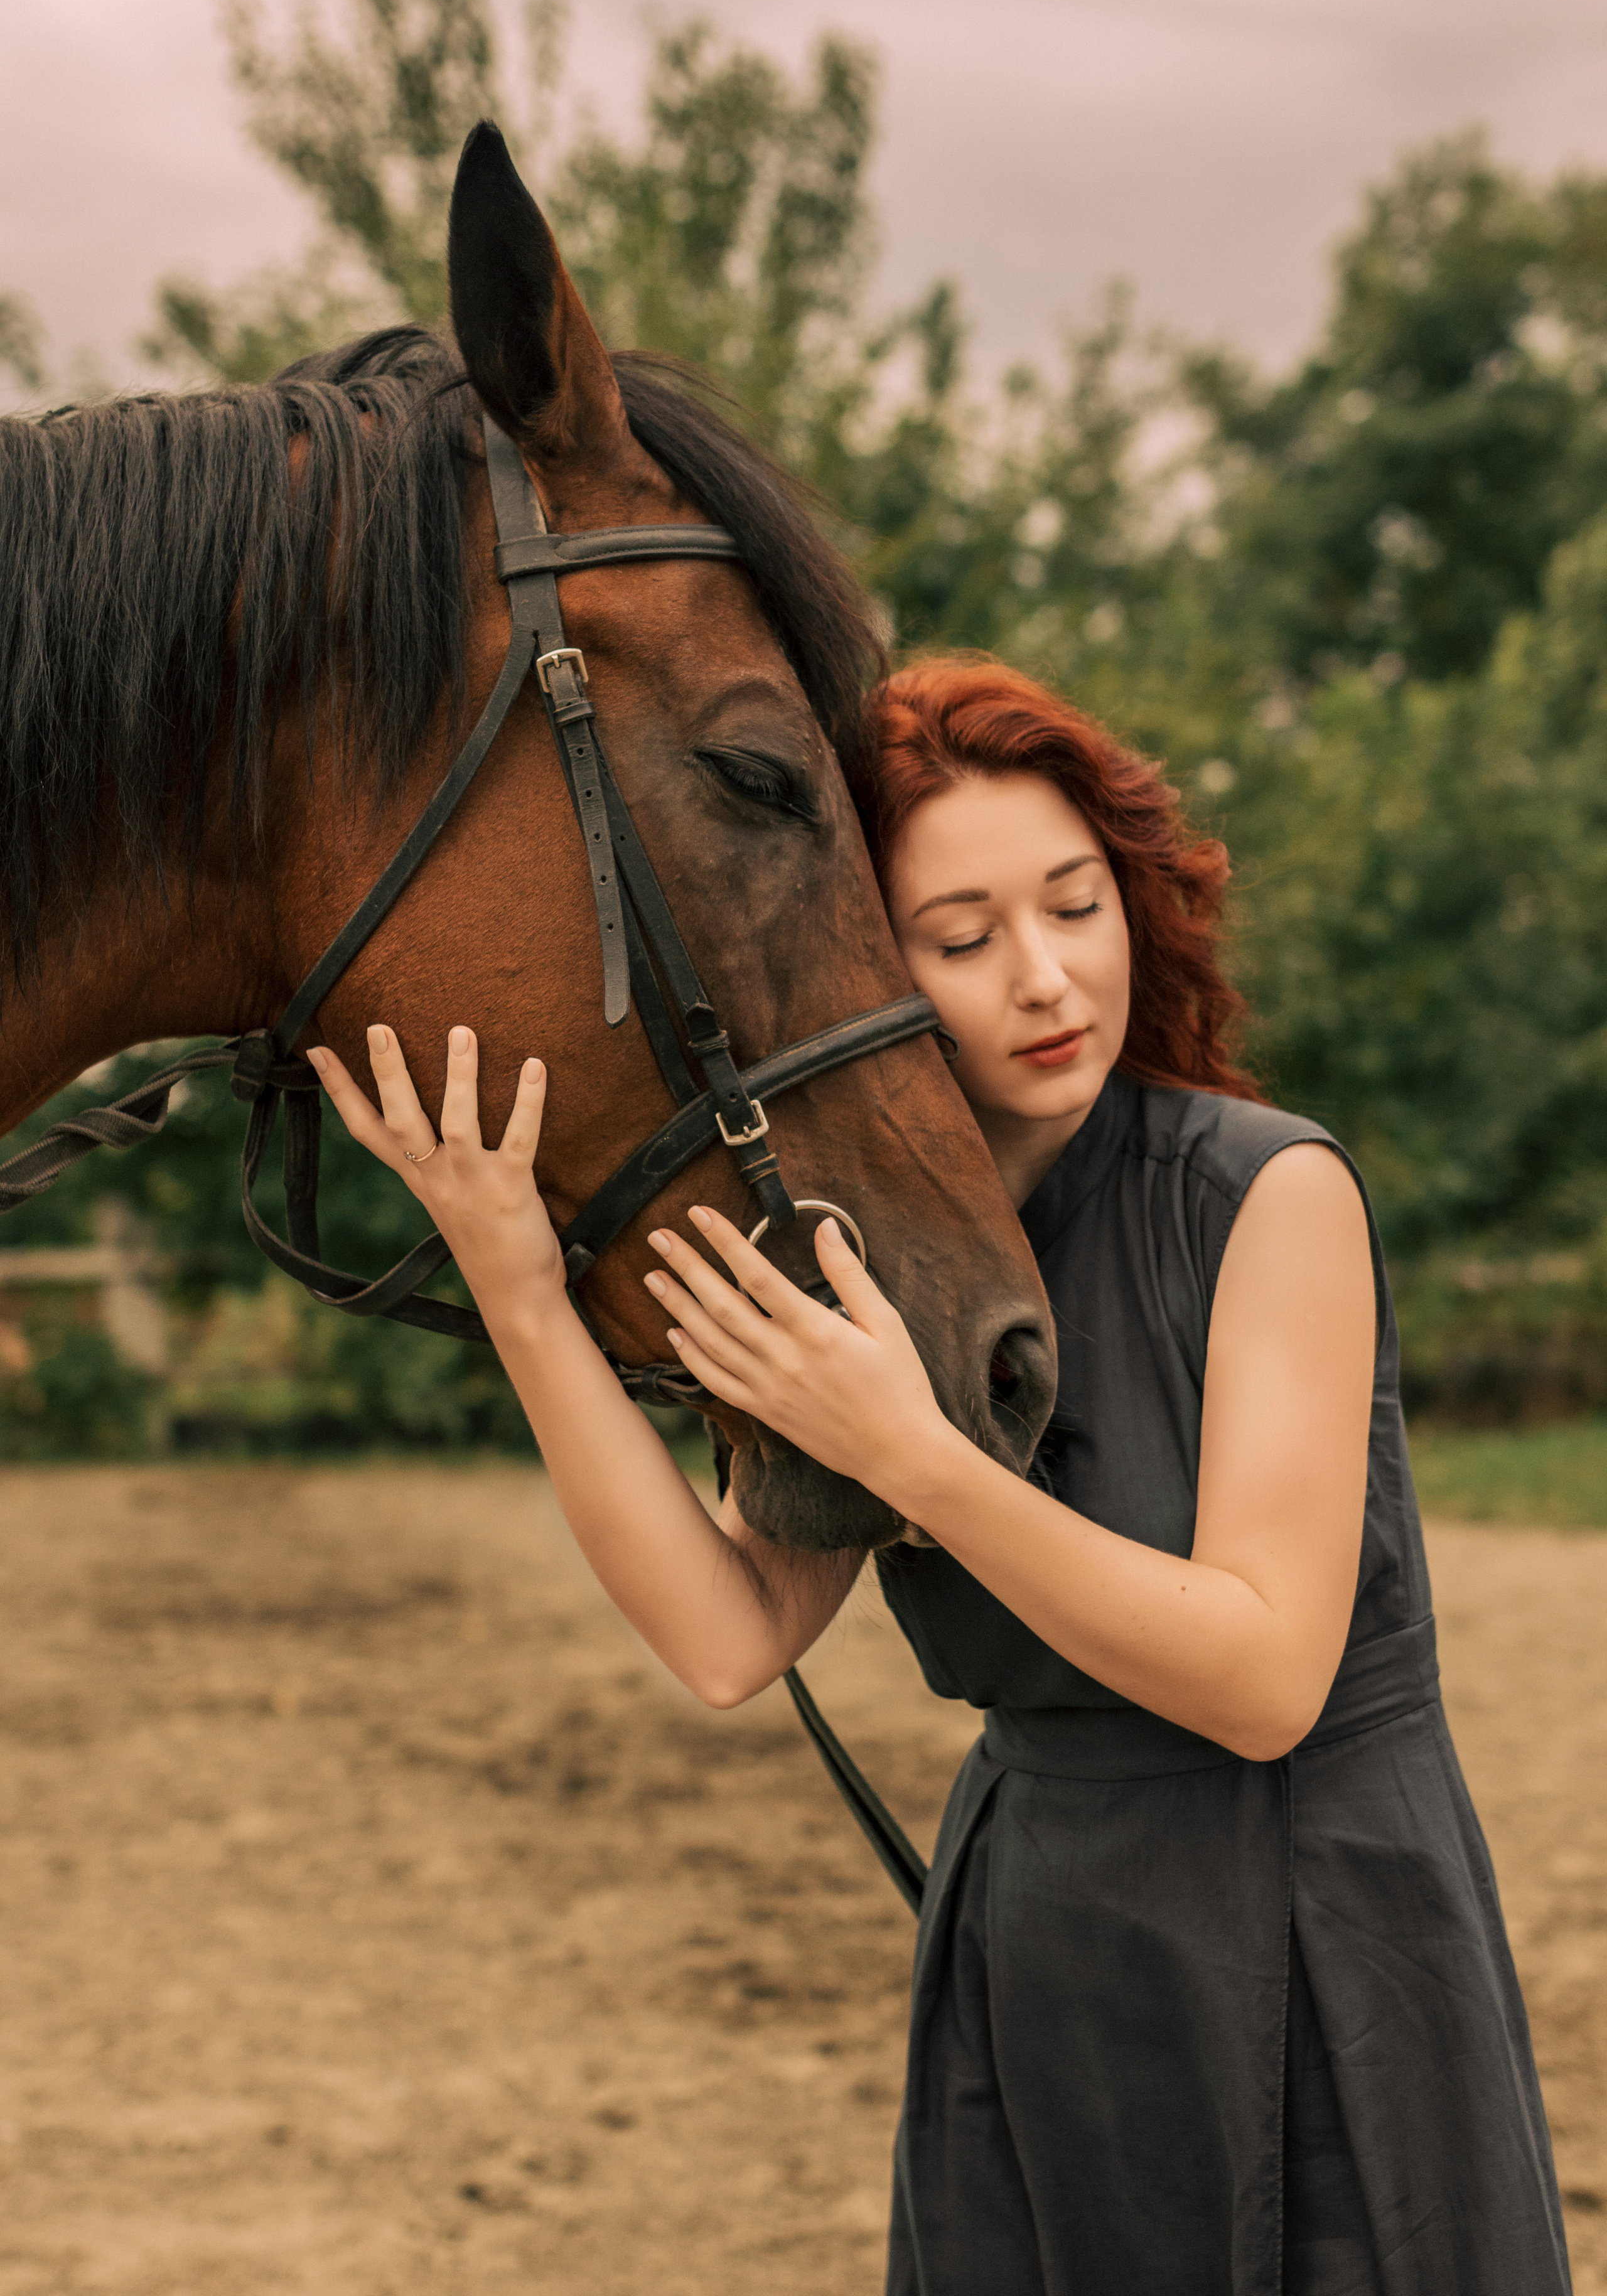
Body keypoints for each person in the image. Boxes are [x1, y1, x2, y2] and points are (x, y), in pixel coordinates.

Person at [307, 656, 1571, 2295]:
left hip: (1313, 1923)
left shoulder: (1267, 1195)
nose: (1046, 978)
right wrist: (520, 1288)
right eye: (964, 942)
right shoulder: (863, 1246)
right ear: (860, 964)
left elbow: (1265, 1680)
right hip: (1042, 1936)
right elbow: (731, 1636)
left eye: (1076, 906)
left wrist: (913, 1454)